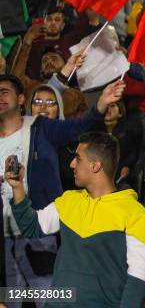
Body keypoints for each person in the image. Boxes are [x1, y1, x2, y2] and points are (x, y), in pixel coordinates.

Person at [0, 75, 123, 301]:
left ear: (20, 98)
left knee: (49, 297)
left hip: (39, 233)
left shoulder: (41, 128)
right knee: (10, 300)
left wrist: (101, 105)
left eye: (4, 92)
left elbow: (80, 127)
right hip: (4, 239)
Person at [7, 132, 145, 307]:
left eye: (78, 159)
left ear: (95, 166)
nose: (71, 164)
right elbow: (31, 226)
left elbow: (138, 281)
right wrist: (18, 188)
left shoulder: (136, 215)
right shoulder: (69, 200)